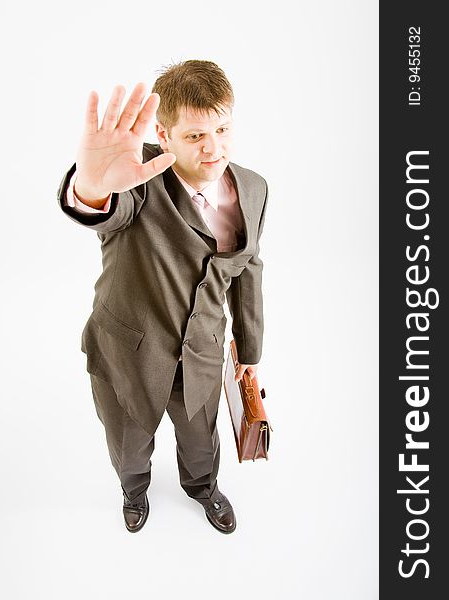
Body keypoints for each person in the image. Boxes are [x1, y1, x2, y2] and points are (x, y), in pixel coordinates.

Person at [57, 60, 269, 534]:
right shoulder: (136, 177)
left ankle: (203, 488)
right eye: (196, 136)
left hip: (202, 354)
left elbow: (249, 268)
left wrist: (249, 353)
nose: (214, 148)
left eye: (222, 128)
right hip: (129, 354)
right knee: (129, 443)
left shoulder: (253, 187)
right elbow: (106, 211)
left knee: (201, 440)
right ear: (164, 133)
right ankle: (133, 492)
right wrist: (91, 188)